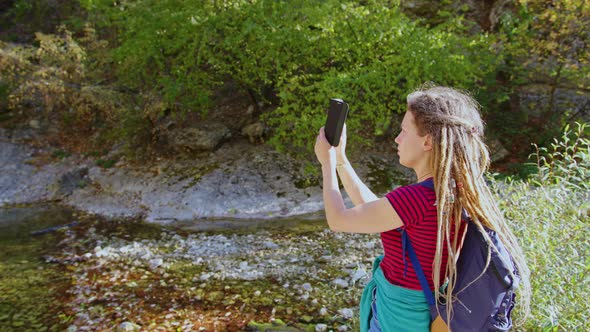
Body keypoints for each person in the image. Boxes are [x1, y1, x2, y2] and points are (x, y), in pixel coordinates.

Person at [314, 85, 531, 331]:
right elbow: (374, 210)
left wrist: (326, 163)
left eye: (404, 131)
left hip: (396, 318)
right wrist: (341, 160)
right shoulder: (448, 192)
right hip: (418, 315)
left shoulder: (417, 198)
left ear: (427, 141)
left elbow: (338, 219)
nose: (397, 138)